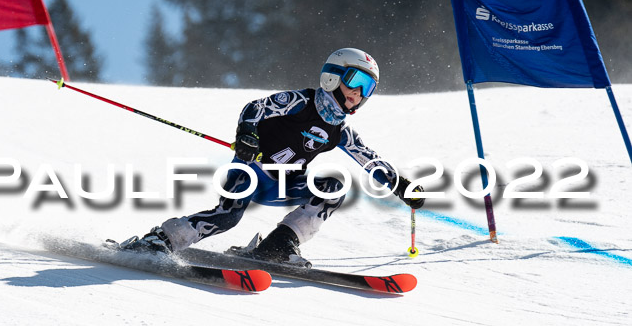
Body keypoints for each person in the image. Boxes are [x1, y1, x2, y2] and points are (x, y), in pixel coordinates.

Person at [120, 48, 425, 264]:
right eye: (355, 81)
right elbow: (255, 108)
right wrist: (248, 136)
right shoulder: (300, 101)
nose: (359, 92)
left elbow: (368, 158)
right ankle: (161, 240)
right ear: (333, 76)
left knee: (333, 187)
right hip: (250, 172)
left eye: (367, 87)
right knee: (228, 217)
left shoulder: (340, 131)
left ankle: (278, 245)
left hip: (286, 184)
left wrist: (399, 185)